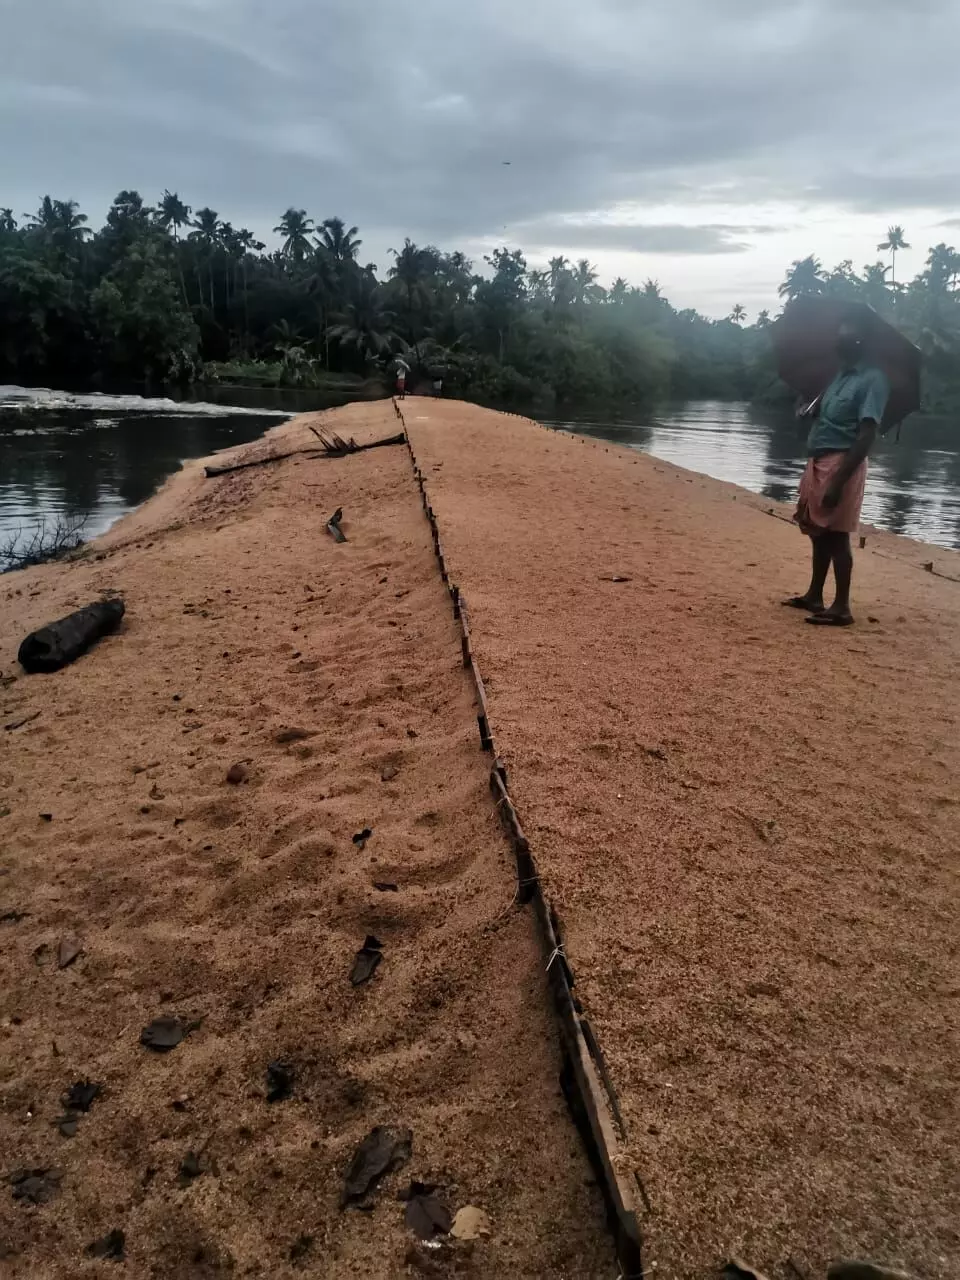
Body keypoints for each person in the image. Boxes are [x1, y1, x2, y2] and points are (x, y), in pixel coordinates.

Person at [784, 319, 889, 627]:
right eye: (840, 334)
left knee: (837, 534)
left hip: (842, 463)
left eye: (847, 335)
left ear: (861, 342)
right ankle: (815, 595)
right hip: (818, 458)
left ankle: (841, 607)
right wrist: (804, 408)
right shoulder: (838, 377)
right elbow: (822, 416)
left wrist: (839, 481)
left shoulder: (873, 379)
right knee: (817, 532)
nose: (839, 340)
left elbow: (867, 434)